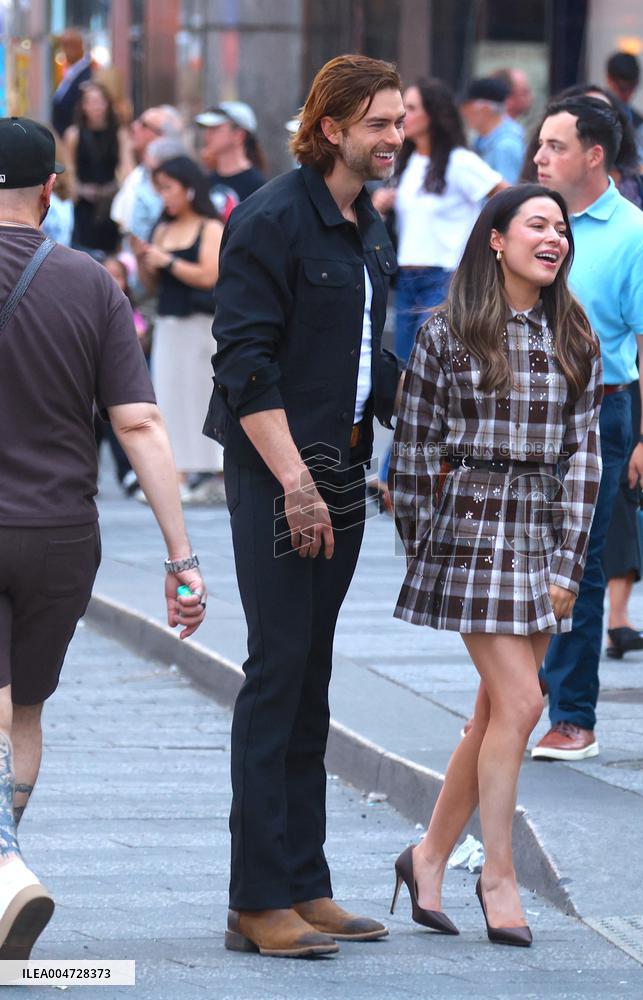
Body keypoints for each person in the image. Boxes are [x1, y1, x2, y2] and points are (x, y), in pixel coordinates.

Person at [208, 54, 402, 958]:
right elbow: (244, 364)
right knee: (278, 673)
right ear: (331, 128)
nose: (394, 138)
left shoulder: (365, 224)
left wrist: (416, 441)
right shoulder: (269, 220)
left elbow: (370, 363)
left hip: (343, 471)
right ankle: (256, 899)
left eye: (398, 122)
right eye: (378, 124)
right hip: (280, 473)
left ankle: (305, 881)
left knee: (313, 678)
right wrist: (294, 484)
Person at [0, 116, 206, 959]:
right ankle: (5, 866)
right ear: (50, 189)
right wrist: (180, 557)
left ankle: (6, 871)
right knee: (25, 708)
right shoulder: (90, 283)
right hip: (58, 533)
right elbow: (143, 423)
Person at [389, 184, 601, 946]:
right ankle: (499, 874)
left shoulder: (573, 333)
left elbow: (585, 463)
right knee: (521, 703)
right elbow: (410, 453)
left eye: (561, 228)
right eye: (537, 226)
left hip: (541, 532)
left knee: (491, 714)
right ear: (496, 240)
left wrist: (568, 562)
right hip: (469, 531)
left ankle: (427, 856)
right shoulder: (447, 332)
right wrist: (427, 550)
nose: (554, 239)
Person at [530, 96, 643, 761]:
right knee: (521, 560)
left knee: (579, 569)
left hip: (600, 412)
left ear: (594, 154)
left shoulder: (637, 236)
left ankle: (572, 717)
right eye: (539, 145)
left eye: (554, 146)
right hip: (524, 412)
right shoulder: (532, 222)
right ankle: (517, 700)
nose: (540, 157)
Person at [371, 77, 505, 502]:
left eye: (411, 108)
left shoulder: (460, 162)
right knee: (412, 378)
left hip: (443, 278)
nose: (404, 117)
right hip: (408, 280)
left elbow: (505, 198)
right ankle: (403, 472)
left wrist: (486, 252)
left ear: (434, 113)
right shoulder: (411, 163)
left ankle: (399, 474)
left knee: (423, 377)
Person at [136, 156, 224, 503]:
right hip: (169, 322)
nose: (163, 197)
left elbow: (209, 275)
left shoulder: (209, 227)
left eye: (168, 188)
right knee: (169, 396)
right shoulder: (161, 228)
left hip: (201, 323)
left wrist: (168, 261)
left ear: (188, 189)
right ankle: (178, 472)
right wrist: (146, 262)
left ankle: (213, 470)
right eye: (159, 189)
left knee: (201, 394)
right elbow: (151, 283)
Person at [63, 80, 133, 255]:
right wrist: (81, 189)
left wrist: (116, 187)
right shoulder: (74, 134)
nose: (95, 107)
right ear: (83, 106)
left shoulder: (119, 133)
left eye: (99, 101)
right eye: (90, 102)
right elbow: (68, 171)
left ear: (107, 104)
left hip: (111, 201)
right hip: (83, 204)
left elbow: (127, 167)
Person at [111, 104, 185, 244]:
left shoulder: (176, 178)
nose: (134, 126)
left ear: (162, 136)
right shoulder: (141, 173)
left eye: (144, 125)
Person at [195, 102, 266, 221]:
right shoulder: (205, 182)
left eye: (215, 128)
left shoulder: (258, 186)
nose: (207, 135)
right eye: (207, 129)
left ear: (239, 135)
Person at [460, 77, 525, 184]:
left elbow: (508, 195)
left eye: (466, 106)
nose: (463, 112)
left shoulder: (506, 146)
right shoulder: (482, 141)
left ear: (484, 109)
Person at [51, 30, 93, 137]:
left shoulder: (86, 75)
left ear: (80, 46)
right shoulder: (70, 72)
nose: (67, 50)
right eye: (64, 46)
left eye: (71, 45)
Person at [605, 52, 643, 129]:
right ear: (609, 80)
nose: (627, 94)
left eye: (632, 87)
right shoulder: (591, 115)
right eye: (622, 88)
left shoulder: (640, 123)